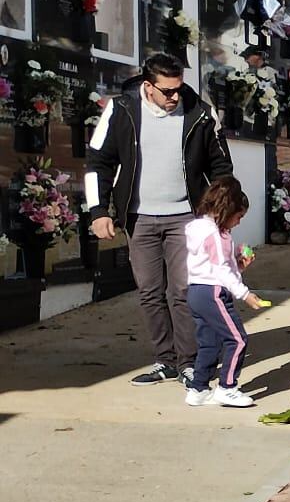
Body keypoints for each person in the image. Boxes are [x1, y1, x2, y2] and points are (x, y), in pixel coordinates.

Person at [86, 52, 234, 388]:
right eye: (167, 91)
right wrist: (98, 212)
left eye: (178, 89)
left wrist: (220, 213)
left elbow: (222, 167)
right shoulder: (122, 109)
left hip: (187, 217)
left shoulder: (200, 112)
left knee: (183, 291)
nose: (175, 97)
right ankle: (165, 361)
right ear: (148, 86)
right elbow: (98, 162)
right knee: (150, 292)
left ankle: (191, 363)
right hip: (139, 218)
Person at [183, 177, 265, 408]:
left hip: (197, 290)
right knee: (237, 339)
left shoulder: (199, 228)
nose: (238, 223)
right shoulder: (216, 235)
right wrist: (245, 293)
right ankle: (227, 387)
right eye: (238, 217)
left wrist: (238, 266)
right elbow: (220, 271)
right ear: (227, 209)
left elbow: (213, 266)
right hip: (214, 293)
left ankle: (198, 389)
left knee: (209, 342)